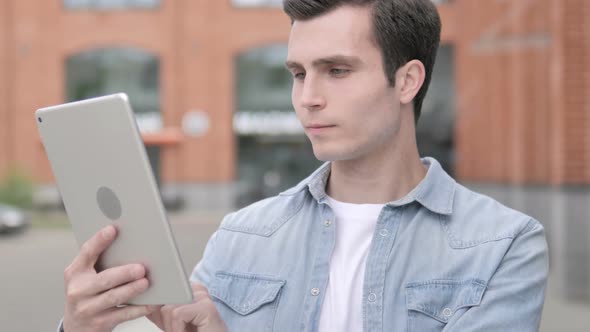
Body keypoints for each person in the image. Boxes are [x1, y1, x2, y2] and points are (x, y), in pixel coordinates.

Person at [58, 0, 549, 331]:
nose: (307, 99)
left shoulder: (504, 245)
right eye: (297, 73)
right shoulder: (242, 234)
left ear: (406, 81)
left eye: (336, 71)